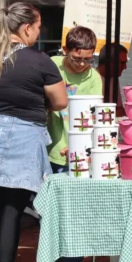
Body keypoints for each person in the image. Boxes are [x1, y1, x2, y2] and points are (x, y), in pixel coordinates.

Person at [0, 2, 68, 262]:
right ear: (26, 28)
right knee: (11, 210)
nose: (39, 32)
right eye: (38, 28)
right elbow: (60, 101)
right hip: (23, 140)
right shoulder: (40, 61)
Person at [48, 26, 103, 174]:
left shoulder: (94, 79)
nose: (81, 64)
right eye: (76, 59)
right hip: (48, 146)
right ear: (65, 50)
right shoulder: (52, 64)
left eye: (88, 59)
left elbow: (94, 118)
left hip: (77, 150)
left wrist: (77, 146)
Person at [97, 43, 129, 116]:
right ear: (109, 61)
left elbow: (119, 109)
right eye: (122, 63)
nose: (125, 67)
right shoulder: (93, 79)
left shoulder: (114, 78)